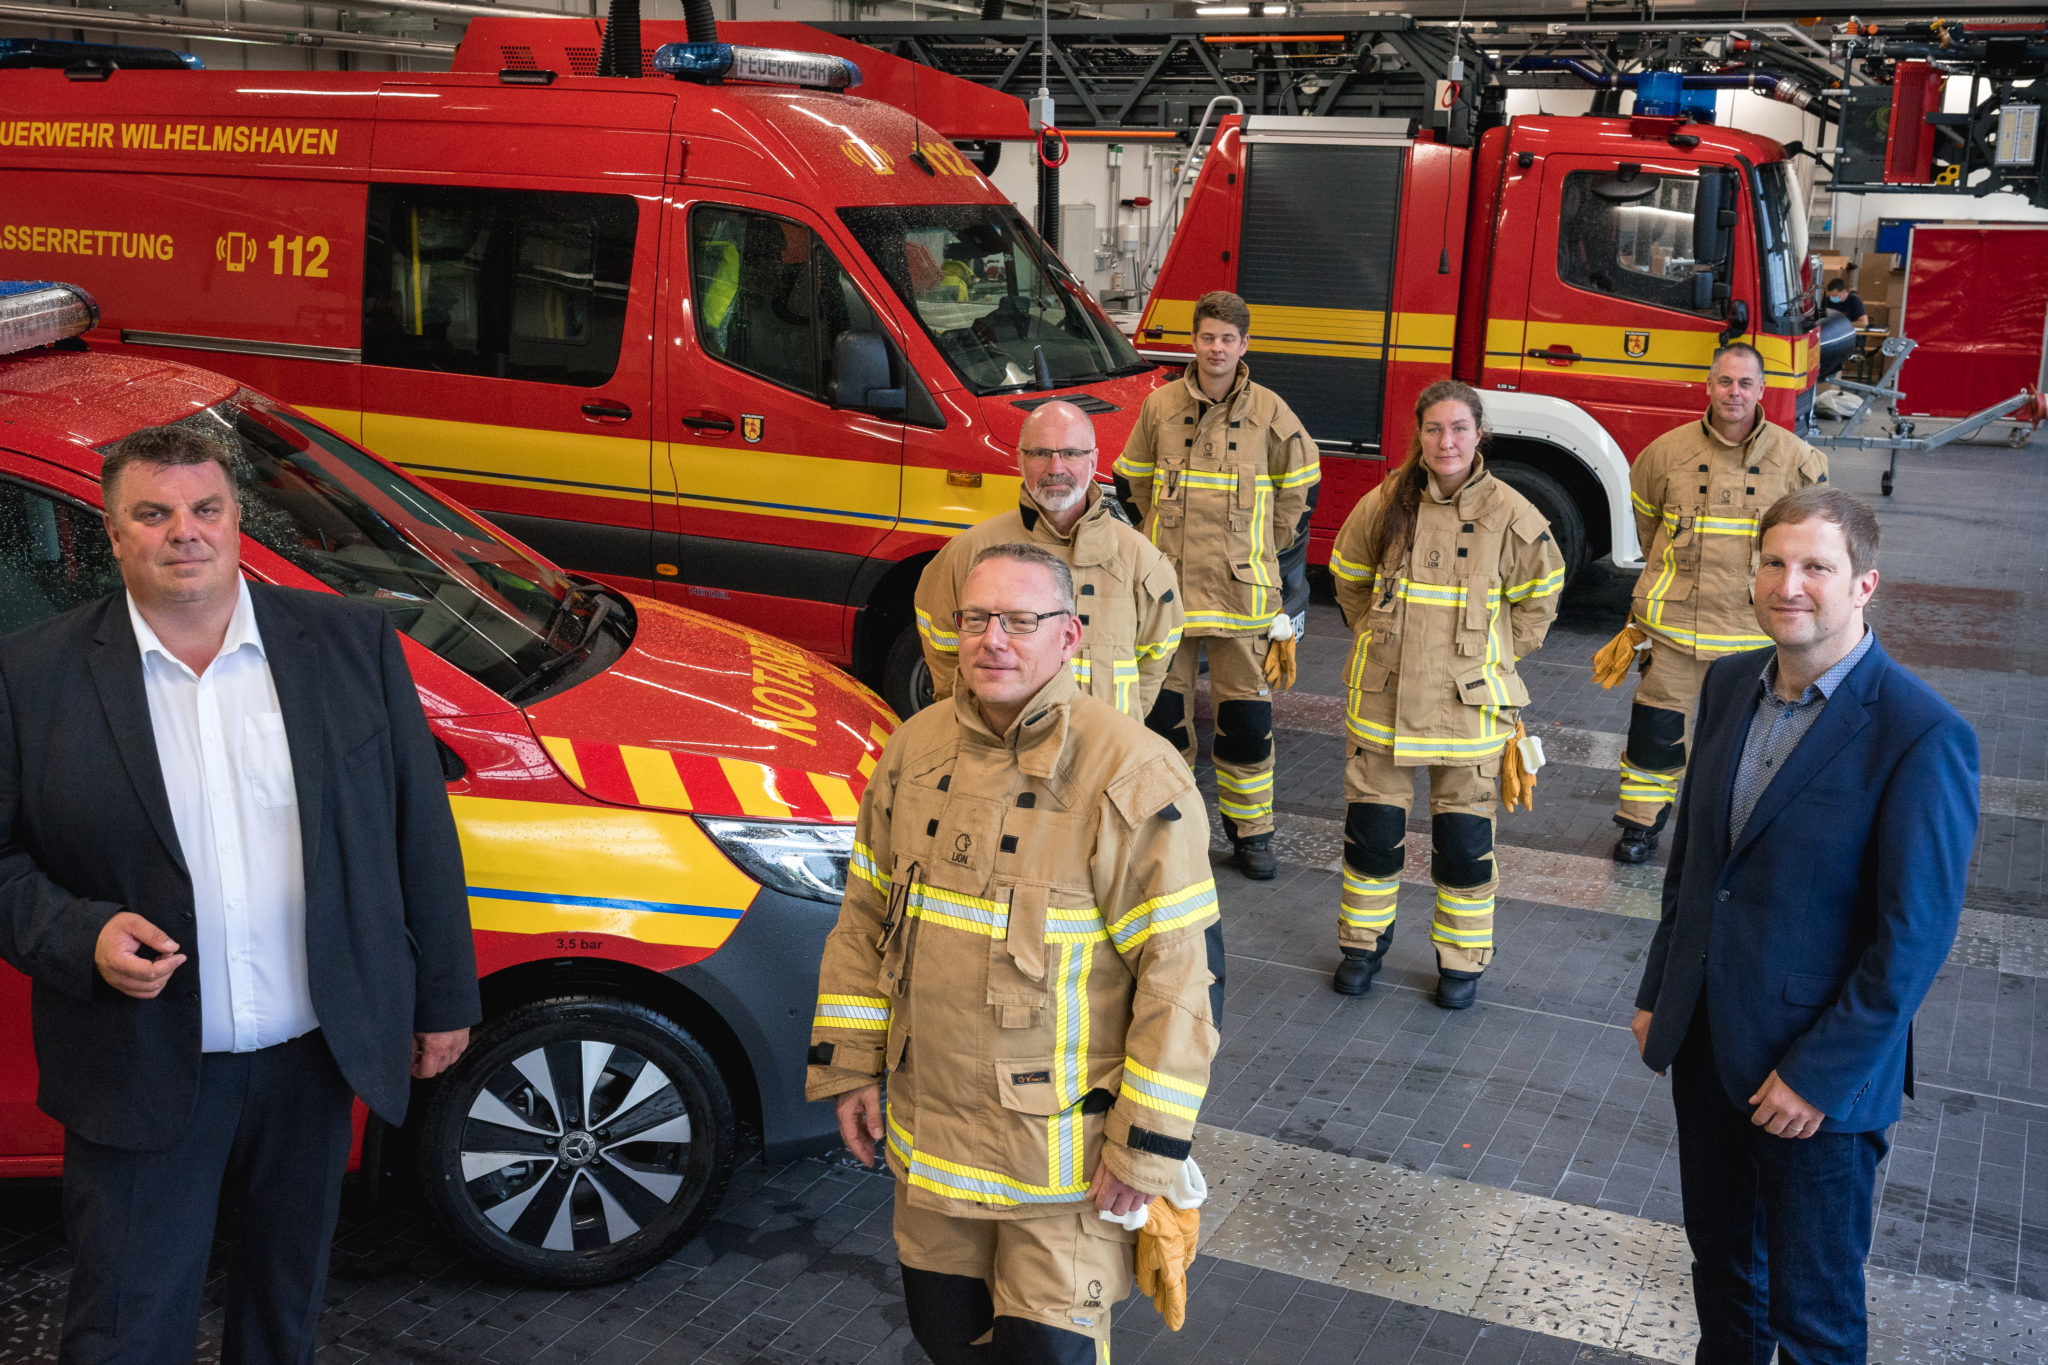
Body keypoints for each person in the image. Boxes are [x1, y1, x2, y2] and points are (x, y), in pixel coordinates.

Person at [0, 425, 480, 1364]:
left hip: (313, 1057)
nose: (186, 531)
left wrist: (444, 999)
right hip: (139, 1066)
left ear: (233, 521)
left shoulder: (350, 645)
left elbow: (419, 833)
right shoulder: (31, 677)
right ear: (114, 533)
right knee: (125, 1324)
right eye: (155, 512)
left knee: (283, 1311)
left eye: (206, 508)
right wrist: (80, 934)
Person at [808, 542, 1220, 1365]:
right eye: (977, 618)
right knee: (945, 1339)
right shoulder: (911, 753)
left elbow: (1180, 978)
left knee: (1046, 1357)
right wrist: (850, 1063)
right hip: (932, 1147)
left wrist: (1146, 1144)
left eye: (1020, 621)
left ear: (1068, 637)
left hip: (1062, 1167)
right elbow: (863, 919)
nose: (994, 638)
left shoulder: (1132, 774)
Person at [1632, 487, 1978, 1365]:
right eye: (1775, 562)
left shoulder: (1921, 733)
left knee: (1814, 1314)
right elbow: (1697, 864)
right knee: (1723, 1275)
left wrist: (1816, 1078)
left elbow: (1912, 940)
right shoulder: (1725, 683)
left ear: (1864, 584)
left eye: (1816, 566)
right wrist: (1660, 990)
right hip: (1708, 1048)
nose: (1791, 584)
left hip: (1817, 1089)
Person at [1326, 381, 1563, 1009]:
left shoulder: (1513, 515)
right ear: (1419, 435)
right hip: (1384, 702)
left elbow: (1540, 602)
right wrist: (1376, 636)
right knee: (1371, 839)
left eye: (1459, 428)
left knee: (1464, 848)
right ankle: (1361, 945)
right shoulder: (1384, 502)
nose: (1446, 441)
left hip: (1471, 712)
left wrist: (1495, 656)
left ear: (1479, 433)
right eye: (1434, 429)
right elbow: (1348, 576)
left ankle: (1461, 962)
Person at [1114, 290, 1319, 880]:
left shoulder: (1272, 414)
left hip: (1243, 600)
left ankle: (1252, 835)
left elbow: (1300, 492)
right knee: (1162, 722)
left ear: (1244, 345)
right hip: (1166, 599)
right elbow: (1133, 486)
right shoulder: (1159, 408)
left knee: (1246, 728)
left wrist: (1262, 554)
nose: (1216, 348)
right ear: (1195, 341)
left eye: (1227, 339)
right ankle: (1169, 830)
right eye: (1207, 337)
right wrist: (1160, 549)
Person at [1603, 343, 1828, 865]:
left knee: (1745, 743)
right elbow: (1648, 525)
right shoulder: (1664, 454)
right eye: (1725, 381)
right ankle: (1639, 826)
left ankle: (1734, 831)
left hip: (1753, 637)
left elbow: (1814, 541)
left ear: (1761, 390)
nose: (1734, 392)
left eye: (1745, 383)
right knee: (1656, 733)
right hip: (1675, 629)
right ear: (1708, 386)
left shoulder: (1798, 461)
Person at [915, 400, 1184, 720]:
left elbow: (1156, 656)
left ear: (1093, 459)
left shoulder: (1141, 561)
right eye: (1040, 453)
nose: (1056, 468)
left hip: (1104, 760)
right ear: (1020, 458)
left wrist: (1125, 726)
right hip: (1005, 757)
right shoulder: (969, 553)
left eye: (1071, 453)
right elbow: (942, 647)